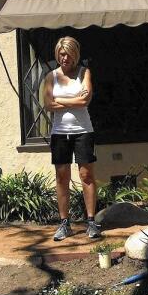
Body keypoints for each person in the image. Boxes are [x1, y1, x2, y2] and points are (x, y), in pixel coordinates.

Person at [42, 36, 101, 241]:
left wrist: (61, 99)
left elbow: (86, 100)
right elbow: (48, 105)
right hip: (60, 133)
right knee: (62, 177)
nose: (64, 57)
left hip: (83, 131)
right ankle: (64, 223)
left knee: (86, 175)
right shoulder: (51, 76)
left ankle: (91, 222)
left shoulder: (84, 73)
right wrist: (74, 101)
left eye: (68, 53)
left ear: (75, 54)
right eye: (61, 53)